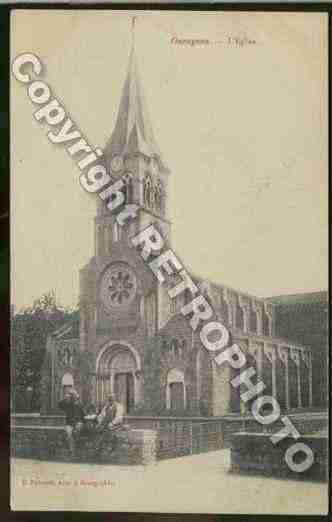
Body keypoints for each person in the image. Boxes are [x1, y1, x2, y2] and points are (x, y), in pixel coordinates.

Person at [95, 394, 124, 459]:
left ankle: (110, 450)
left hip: (116, 424)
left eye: (112, 399)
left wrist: (112, 423)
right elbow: (101, 416)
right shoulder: (106, 407)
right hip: (106, 424)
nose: (110, 401)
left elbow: (119, 417)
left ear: (114, 399)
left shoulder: (119, 406)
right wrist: (99, 421)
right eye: (109, 400)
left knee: (110, 432)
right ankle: (98, 448)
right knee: (98, 430)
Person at [58, 388, 85, 457]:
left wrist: (81, 422)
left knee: (75, 433)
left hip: (78, 422)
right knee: (69, 434)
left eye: (74, 395)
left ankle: (74, 450)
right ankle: (72, 451)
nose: (73, 397)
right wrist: (65, 398)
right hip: (69, 423)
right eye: (71, 395)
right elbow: (60, 405)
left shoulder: (79, 403)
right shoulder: (67, 403)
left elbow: (83, 414)